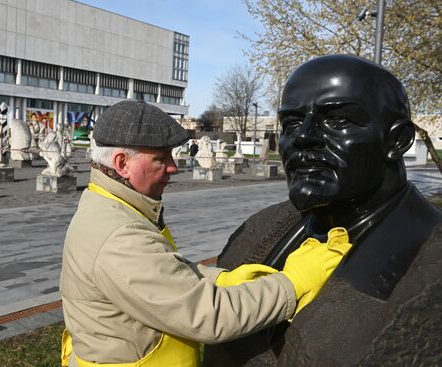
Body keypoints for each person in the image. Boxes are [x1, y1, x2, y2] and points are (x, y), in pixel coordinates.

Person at [59, 100, 352, 367]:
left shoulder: (110, 204)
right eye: (161, 158)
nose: (173, 167)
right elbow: (209, 317)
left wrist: (222, 279)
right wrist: (294, 283)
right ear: (123, 163)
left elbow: (162, 270)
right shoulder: (119, 235)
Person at [204, 55, 442, 366]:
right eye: (291, 123)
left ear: (397, 140)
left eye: (337, 120)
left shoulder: (431, 261)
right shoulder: (259, 227)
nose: (303, 136)